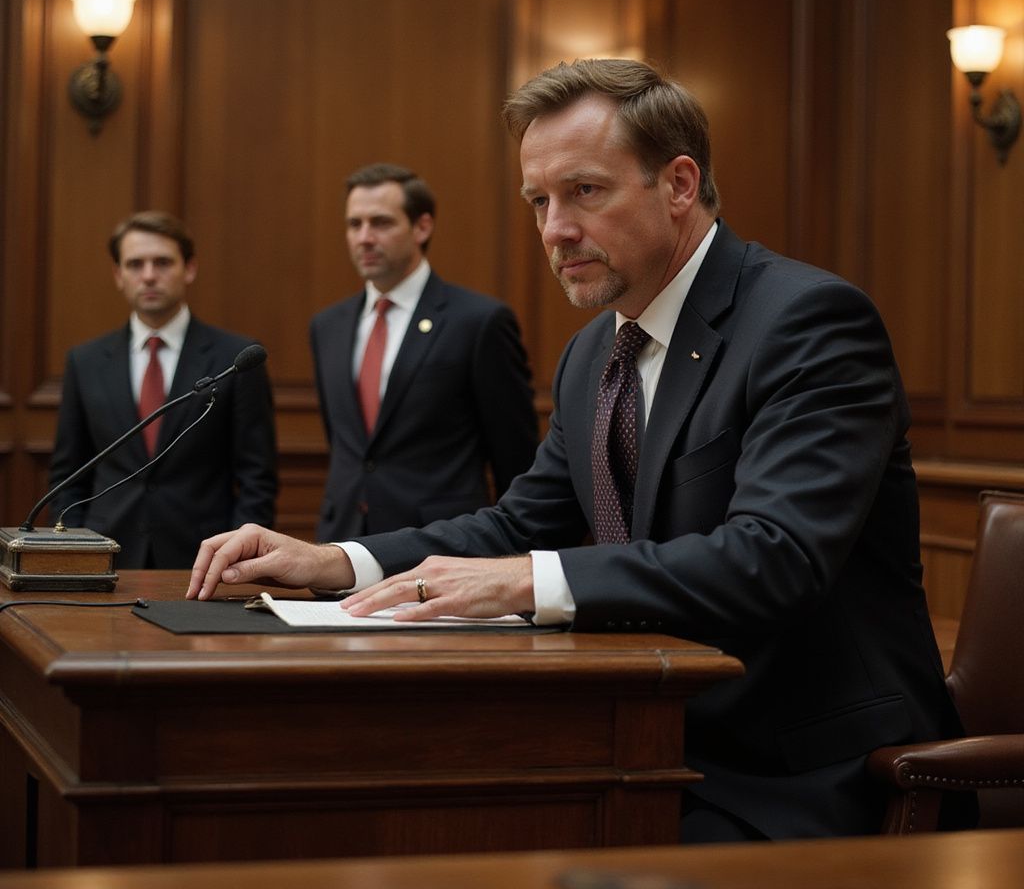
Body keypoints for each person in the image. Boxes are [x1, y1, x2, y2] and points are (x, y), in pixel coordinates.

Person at [187, 60, 964, 841]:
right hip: (648, 733)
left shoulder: (808, 321)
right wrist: (336, 562)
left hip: (802, 766)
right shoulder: (594, 352)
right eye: (538, 201)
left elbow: (774, 556)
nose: (554, 229)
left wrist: (524, 581)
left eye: (585, 191)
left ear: (680, 184)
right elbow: (517, 525)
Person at [309, 162, 538, 539]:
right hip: (341, 540)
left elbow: (514, 455)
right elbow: (347, 445)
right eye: (354, 224)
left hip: (439, 543)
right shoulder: (327, 327)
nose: (364, 237)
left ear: (422, 227)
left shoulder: (479, 322)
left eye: (381, 223)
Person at [49, 211, 277, 568]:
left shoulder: (235, 358)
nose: (149, 275)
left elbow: (256, 478)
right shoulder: (85, 361)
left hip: (203, 559)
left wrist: (239, 557)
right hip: (105, 555)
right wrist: (75, 549)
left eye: (163, 262)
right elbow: (68, 474)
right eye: (136, 264)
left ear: (189, 269)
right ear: (118, 275)